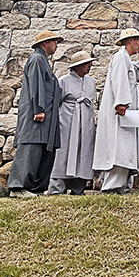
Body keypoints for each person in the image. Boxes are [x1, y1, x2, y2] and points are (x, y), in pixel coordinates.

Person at [92, 29, 139, 194]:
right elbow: (119, 80)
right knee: (120, 148)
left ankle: (121, 186)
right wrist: (121, 103)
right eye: (138, 41)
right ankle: (111, 186)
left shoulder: (127, 60)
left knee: (126, 147)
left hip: (127, 112)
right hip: (121, 112)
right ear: (129, 40)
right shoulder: (120, 58)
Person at [8, 30, 64, 198]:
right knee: (30, 146)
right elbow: (36, 84)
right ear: (44, 43)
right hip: (38, 113)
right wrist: (39, 109)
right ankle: (18, 187)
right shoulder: (37, 59)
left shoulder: (43, 60)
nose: (56, 45)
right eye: (54, 41)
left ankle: (36, 187)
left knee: (43, 148)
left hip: (46, 113)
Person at [47, 50, 97, 196]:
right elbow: (57, 102)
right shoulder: (64, 80)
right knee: (64, 151)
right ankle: (57, 187)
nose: (89, 66)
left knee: (83, 151)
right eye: (86, 64)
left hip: (85, 121)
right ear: (77, 66)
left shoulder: (90, 82)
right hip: (68, 121)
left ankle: (78, 187)